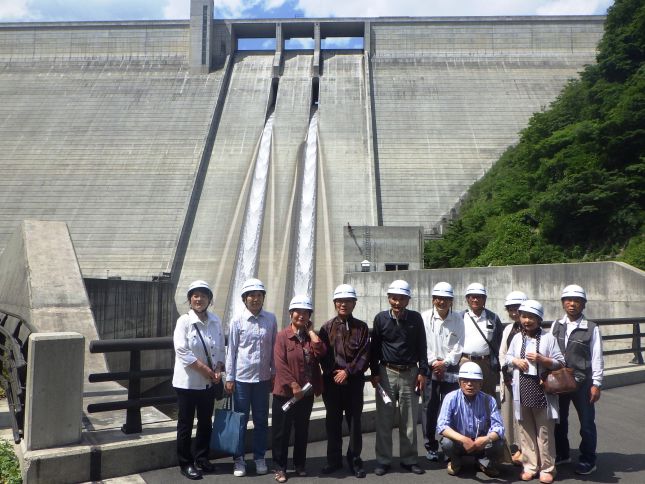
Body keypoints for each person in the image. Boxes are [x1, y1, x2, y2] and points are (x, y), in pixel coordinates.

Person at [369, 280, 428, 476]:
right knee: (384, 420)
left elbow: (422, 347)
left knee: (409, 420)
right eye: (394, 298)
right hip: (386, 372)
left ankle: (409, 459)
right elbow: (374, 348)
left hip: (410, 373)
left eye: (401, 298)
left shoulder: (415, 319)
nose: (397, 302)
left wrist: (423, 372)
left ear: (408, 300)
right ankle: (383, 460)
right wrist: (374, 373)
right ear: (389, 299)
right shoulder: (380, 319)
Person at [506, 300, 565, 484]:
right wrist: (515, 361)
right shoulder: (517, 338)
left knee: (544, 432)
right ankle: (530, 466)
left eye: (531, 317)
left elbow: (560, 362)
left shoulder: (548, 338)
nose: (527, 320)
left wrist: (542, 359)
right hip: (522, 388)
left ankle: (547, 468)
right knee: (525, 431)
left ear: (539, 319)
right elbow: (507, 356)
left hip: (541, 390)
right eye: (524, 316)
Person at [172, 280, 226, 480]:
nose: (199, 299)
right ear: (189, 299)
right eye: (195, 295)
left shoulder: (215, 321)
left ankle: (202, 458)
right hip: (187, 383)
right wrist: (205, 370)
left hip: (208, 383)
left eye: (203, 296)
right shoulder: (183, 322)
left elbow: (220, 347)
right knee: (185, 424)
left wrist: (219, 368)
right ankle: (185, 463)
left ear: (209, 300)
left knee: (205, 422)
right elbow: (182, 351)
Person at [225, 278, 277, 477]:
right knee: (240, 420)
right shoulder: (237, 321)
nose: (255, 299)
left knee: (261, 420)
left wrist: (274, 373)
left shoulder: (270, 319)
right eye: (251, 296)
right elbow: (232, 351)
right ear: (244, 299)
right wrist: (229, 377)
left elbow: (273, 348)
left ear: (263, 298)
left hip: (263, 379)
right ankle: (239, 460)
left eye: (259, 295)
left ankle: (259, 457)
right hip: (241, 380)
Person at [271, 295, 326, 483]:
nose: (301, 315)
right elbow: (280, 364)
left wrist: (311, 333)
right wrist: (294, 386)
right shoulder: (282, 337)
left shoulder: (310, 338)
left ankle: (300, 464)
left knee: (302, 430)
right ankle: (279, 467)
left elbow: (322, 352)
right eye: (298, 312)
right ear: (290, 314)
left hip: (307, 394)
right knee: (281, 432)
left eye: (305, 312)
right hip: (285, 394)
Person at [319, 284, 370, 478]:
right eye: (340, 301)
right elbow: (322, 356)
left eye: (348, 301)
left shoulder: (362, 327)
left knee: (354, 422)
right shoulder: (326, 327)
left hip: (354, 382)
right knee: (332, 422)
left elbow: (364, 354)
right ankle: (333, 460)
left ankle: (355, 460)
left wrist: (347, 372)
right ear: (334, 303)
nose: (343, 304)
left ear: (354, 303)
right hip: (332, 383)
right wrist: (335, 372)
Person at [552, 284, 604, 476]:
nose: (572, 304)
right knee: (559, 421)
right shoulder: (557, 325)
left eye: (577, 301)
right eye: (568, 300)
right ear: (563, 303)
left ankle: (588, 459)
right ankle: (563, 453)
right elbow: (550, 350)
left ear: (583, 304)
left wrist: (596, 384)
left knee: (587, 423)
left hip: (583, 382)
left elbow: (597, 357)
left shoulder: (591, 328)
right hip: (560, 381)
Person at [420, 282, 464, 462]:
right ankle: (430, 445)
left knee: (451, 407)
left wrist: (445, 363)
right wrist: (434, 363)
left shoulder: (458, 319)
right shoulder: (424, 317)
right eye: (438, 298)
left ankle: (449, 445)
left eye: (446, 299)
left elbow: (459, 345)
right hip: (430, 367)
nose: (442, 302)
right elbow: (423, 343)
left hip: (450, 368)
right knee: (429, 407)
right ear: (433, 300)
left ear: (451, 301)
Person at [437, 361, 505, 478]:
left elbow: (499, 428)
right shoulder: (450, 398)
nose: (469, 384)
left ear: (481, 383)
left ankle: (483, 462)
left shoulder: (489, 400)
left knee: (499, 443)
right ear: (459, 382)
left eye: (474, 381)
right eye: (465, 380)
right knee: (447, 443)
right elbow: (442, 426)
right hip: (459, 443)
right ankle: (455, 461)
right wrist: (463, 439)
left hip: (481, 443)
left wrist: (486, 439)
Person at [499, 290, 528, 466]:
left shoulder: (531, 327)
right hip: (508, 378)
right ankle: (513, 449)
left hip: (525, 379)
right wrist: (507, 371)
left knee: (525, 416)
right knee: (508, 414)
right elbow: (502, 353)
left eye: (517, 308)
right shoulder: (508, 329)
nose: (514, 312)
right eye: (510, 308)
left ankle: (526, 450)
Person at [459, 283, 503, 397]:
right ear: (467, 299)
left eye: (479, 297)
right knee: (466, 394)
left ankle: (487, 415)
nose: (475, 299)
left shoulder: (493, 317)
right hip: (465, 360)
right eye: (472, 296)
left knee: (487, 395)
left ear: (484, 299)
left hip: (486, 362)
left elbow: (499, 339)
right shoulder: (460, 317)